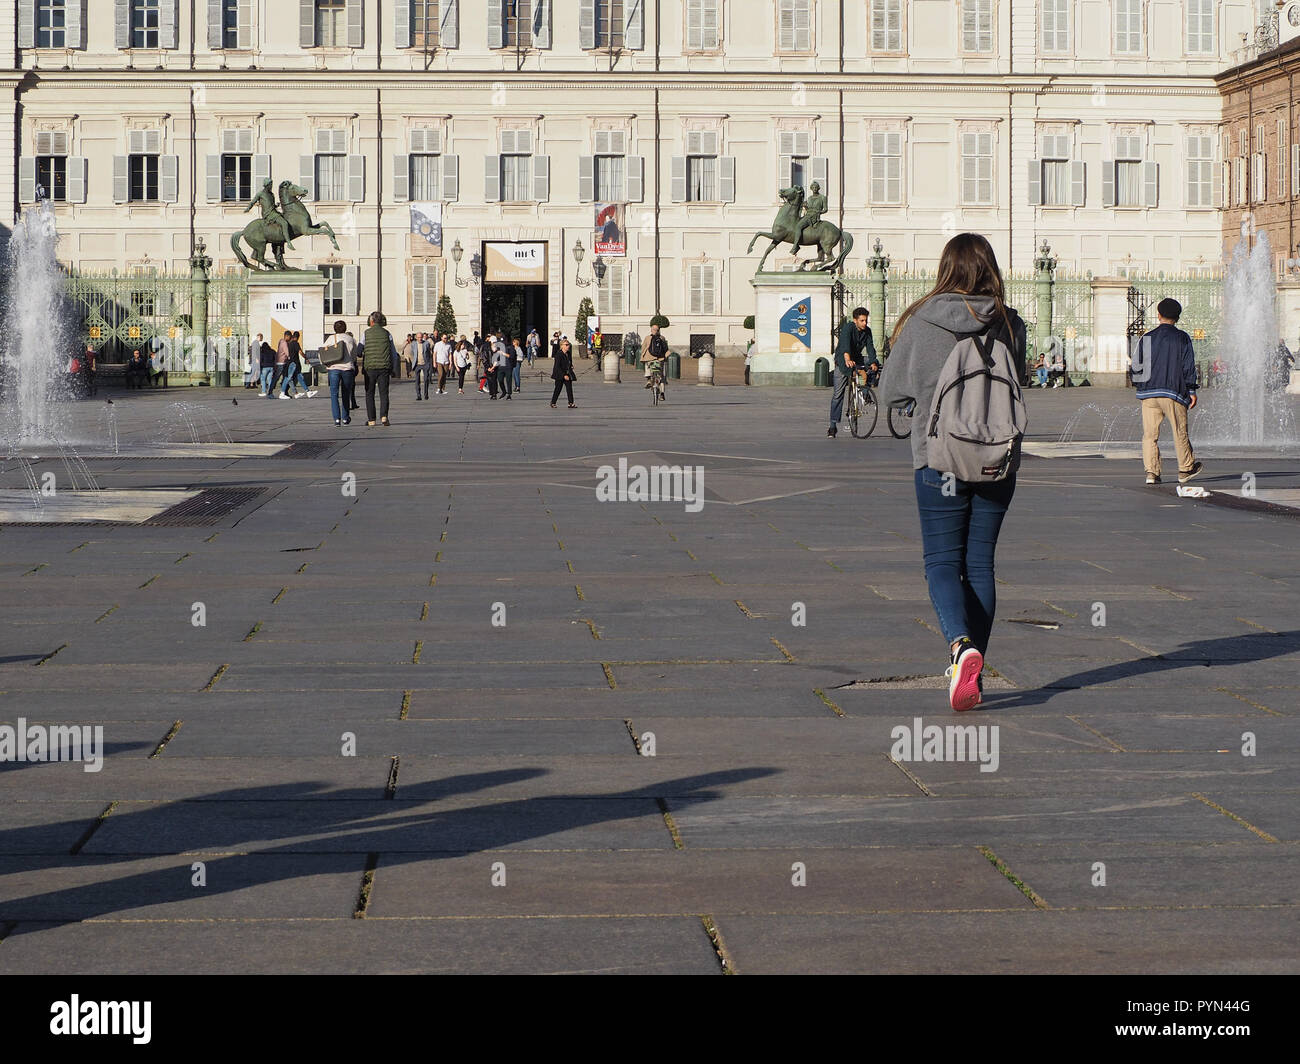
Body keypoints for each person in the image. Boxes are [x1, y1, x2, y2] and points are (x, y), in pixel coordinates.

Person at [879, 232, 1027, 712]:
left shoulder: (922, 321)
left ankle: (961, 647)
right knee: (980, 565)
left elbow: (890, 394)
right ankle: (973, 673)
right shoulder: (1010, 323)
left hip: (938, 459)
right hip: (997, 459)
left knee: (942, 563)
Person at [1133, 297, 1202, 486]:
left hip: (1149, 393)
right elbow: (1188, 366)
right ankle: (1185, 468)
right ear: (1177, 317)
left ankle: (1151, 472)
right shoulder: (1182, 338)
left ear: (1159, 315)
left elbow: (1137, 365)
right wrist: (1191, 390)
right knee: (1179, 431)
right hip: (1173, 392)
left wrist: (1140, 386)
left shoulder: (1146, 337)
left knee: (1149, 435)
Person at [827, 307, 877, 438]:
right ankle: (832, 426)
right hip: (843, 361)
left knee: (875, 366)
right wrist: (847, 358)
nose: (865, 323)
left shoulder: (867, 331)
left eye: (866, 320)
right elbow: (845, 345)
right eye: (862, 321)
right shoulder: (848, 328)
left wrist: (872, 362)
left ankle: (864, 394)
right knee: (838, 395)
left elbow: (870, 347)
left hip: (857, 358)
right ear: (855, 320)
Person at [361, 310, 397, 426]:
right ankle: (384, 417)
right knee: (384, 393)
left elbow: (358, 351)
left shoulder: (365, 333)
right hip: (384, 368)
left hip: (370, 368)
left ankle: (371, 420)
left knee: (369, 393)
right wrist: (394, 368)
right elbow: (393, 352)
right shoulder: (387, 334)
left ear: (371, 321)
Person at [324, 320, 357, 426]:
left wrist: (326, 365)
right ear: (345, 328)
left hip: (333, 368)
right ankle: (345, 418)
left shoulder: (330, 338)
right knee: (346, 394)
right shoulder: (350, 339)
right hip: (347, 368)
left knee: (334, 394)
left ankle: (336, 419)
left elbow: (323, 353)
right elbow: (354, 355)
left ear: (334, 329)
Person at [641, 322, 669, 393]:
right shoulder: (662, 338)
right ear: (658, 330)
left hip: (649, 358)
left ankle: (648, 380)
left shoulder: (647, 338)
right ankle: (662, 394)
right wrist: (665, 357)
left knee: (647, 366)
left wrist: (643, 355)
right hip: (660, 359)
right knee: (661, 375)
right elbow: (666, 348)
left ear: (651, 330)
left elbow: (643, 348)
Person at [551, 337, 576, 408]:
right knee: (558, 389)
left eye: (569, 345)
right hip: (559, 374)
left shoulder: (568, 353)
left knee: (569, 388)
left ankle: (571, 403)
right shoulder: (559, 354)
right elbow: (557, 367)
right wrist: (563, 375)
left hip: (567, 373)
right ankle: (553, 402)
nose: (568, 346)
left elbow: (569, 362)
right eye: (566, 345)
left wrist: (571, 366)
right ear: (562, 346)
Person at [413, 332, 433, 400]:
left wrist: (429, 363)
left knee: (426, 380)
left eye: (421, 337)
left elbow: (428, 353)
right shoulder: (413, 344)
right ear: (416, 337)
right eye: (418, 337)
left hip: (425, 363)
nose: (420, 339)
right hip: (417, 364)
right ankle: (418, 395)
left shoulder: (426, 343)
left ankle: (426, 394)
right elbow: (413, 353)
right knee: (417, 380)